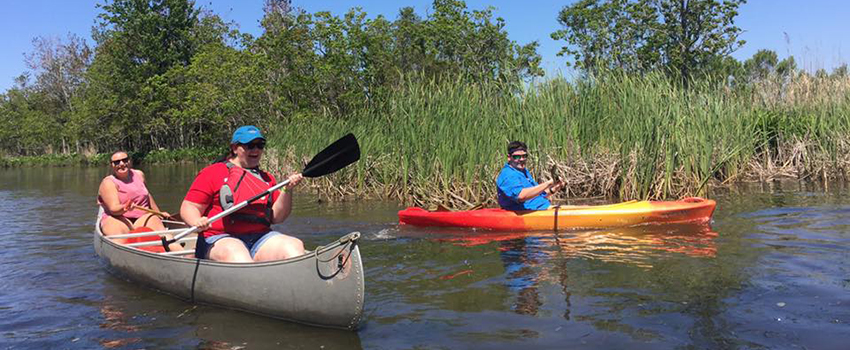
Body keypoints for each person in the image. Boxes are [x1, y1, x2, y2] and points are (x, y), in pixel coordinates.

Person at [180, 125, 305, 263]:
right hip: (218, 237)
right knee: (237, 254)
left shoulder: (267, 178)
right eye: (250, 145)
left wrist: (287, 190)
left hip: (259, 237)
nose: (256, 150)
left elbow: (277, 218)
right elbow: (189, 206)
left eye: (260, 145)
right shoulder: (212, 172)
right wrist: (196, 221)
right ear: (234, 148)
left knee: (294, 247)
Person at [98, 151, 171, 237]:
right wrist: (125, 207)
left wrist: (159, 213)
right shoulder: (108, 182)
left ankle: (172, 247)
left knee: (164, 235)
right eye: (117, 162)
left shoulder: (139, 174)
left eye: (125, 160)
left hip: (142, 217)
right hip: (119, 218)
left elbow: (147, 195)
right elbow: (114, 209)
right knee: (119, 236)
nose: (121, 164)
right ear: (112, 165)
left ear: (129, 161)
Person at [496, 141, 564, 210]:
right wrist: (548, 183)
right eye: (517, 156)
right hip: (523, 213)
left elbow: (538, 194)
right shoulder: (508, 175)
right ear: (509, 157)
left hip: (541, 208)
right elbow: (521, 196)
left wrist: (555, 188)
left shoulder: (523, 171)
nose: (522, 159)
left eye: (524, 156)